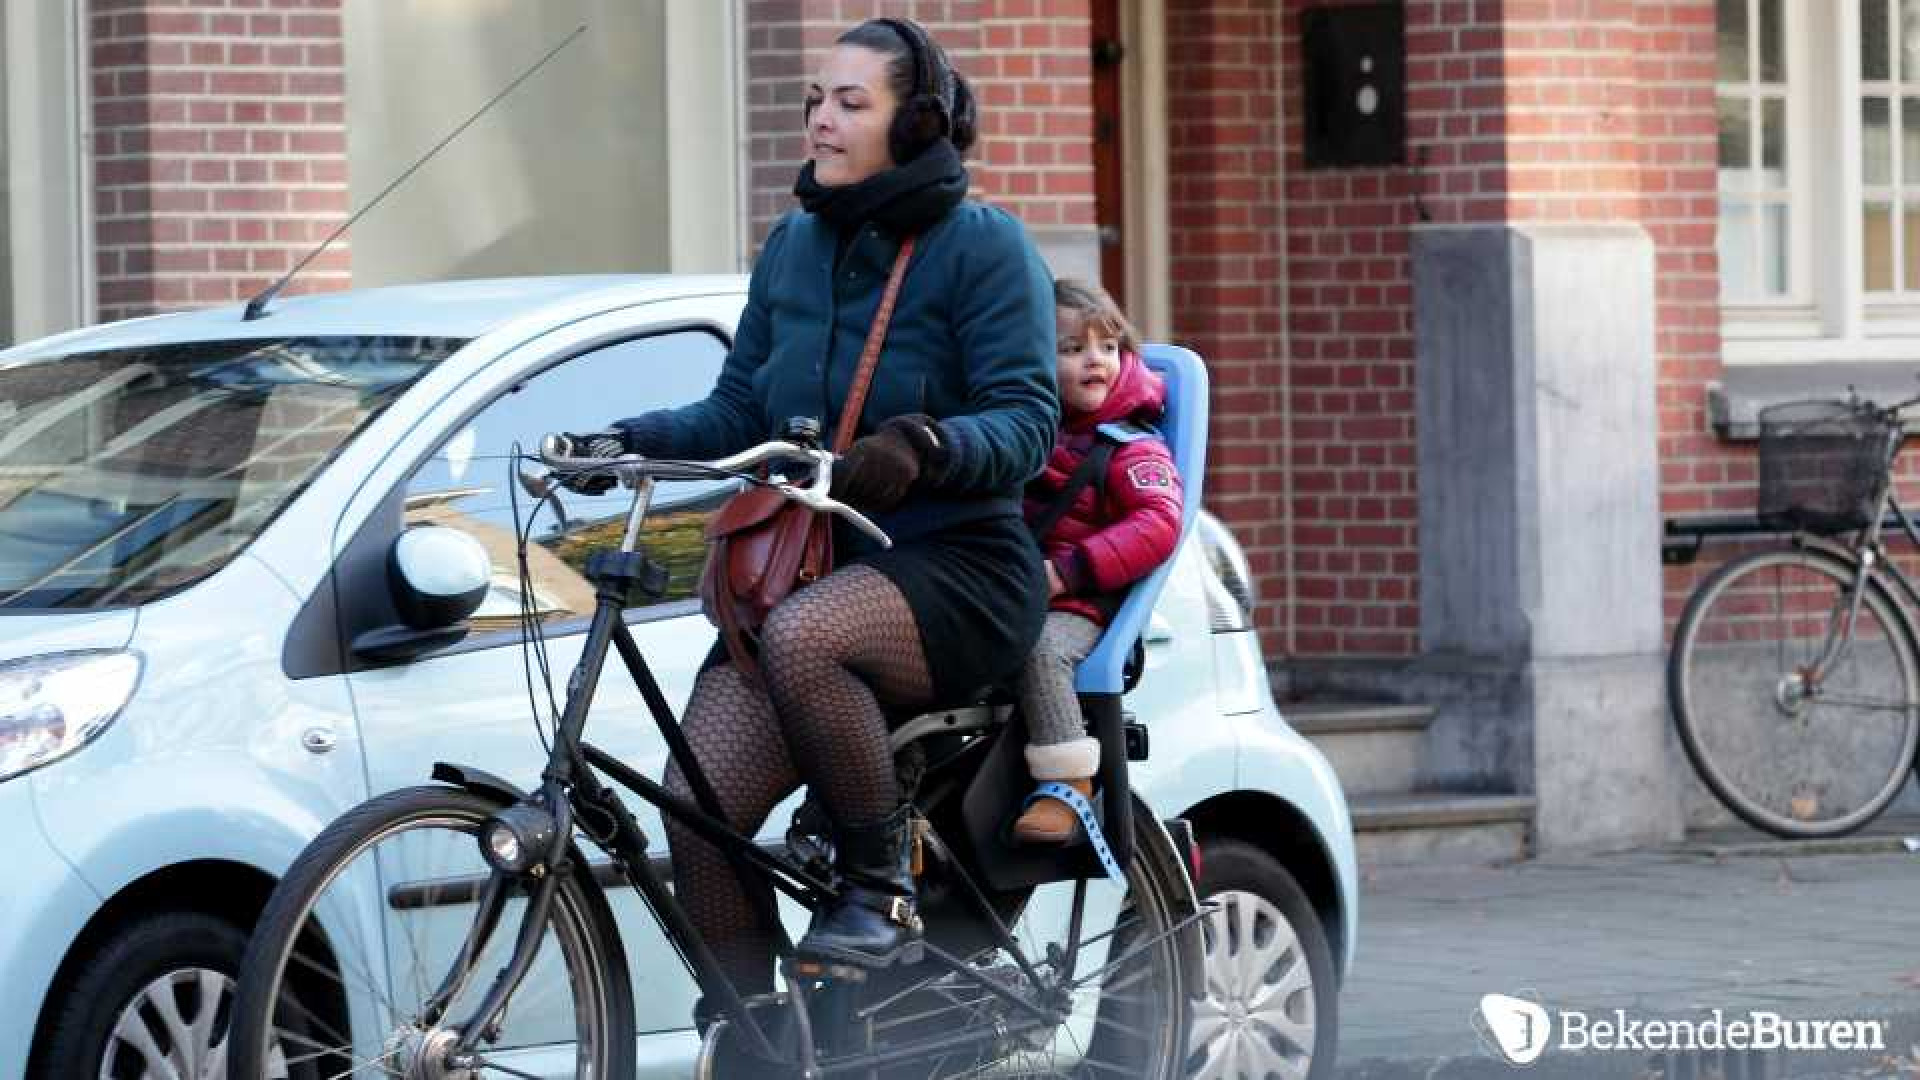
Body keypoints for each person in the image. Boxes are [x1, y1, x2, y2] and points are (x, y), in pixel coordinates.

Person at [562, 16, 1055, 1018]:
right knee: (698, 811)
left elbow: (1028, 421)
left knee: (804, 635)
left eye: (850, 103)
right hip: (819, 562)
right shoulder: (793, 245)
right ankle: (757, 1038)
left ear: (916, 126)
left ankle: (881, 886)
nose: (821, 121)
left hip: (956, 565)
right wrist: (625, 440)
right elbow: (739, 408)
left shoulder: (982, 245)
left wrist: (925, 446)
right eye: (815, 101)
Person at [1010, 279, 1183, 846]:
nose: (1095, 360)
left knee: (1041, 648)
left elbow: (1158, 523)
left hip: (1086, 600)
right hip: (1024, 590)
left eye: (1108, 347)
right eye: (1072, 348)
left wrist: (1069, 571)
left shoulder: (1131, 444)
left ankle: (1068, 781)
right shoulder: (1036, 431)